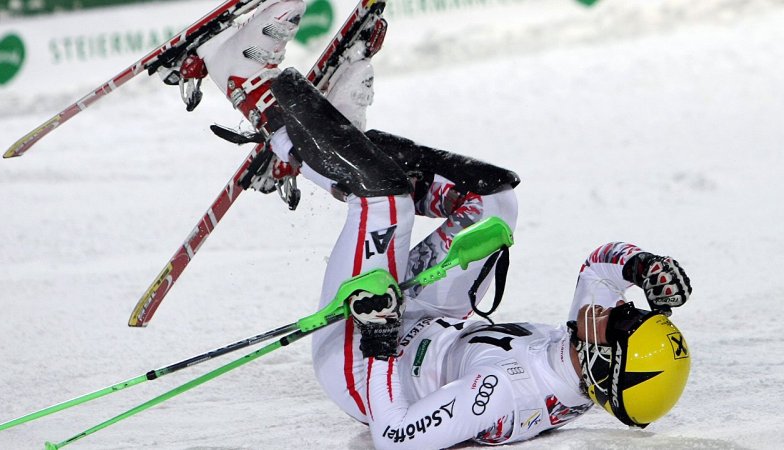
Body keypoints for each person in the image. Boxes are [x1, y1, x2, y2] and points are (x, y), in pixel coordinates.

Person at [165, 2, 693, 447]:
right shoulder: (582, 354)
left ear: (606, 364)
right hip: (431, 315)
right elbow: (600, 270)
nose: (621, 307)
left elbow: (394, 435)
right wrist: (642, 265)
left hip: (358, 352)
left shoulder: (505, 395)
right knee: (495, 201)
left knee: (385, 205)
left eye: (625, 323)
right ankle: (332, 142)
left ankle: (242, 81)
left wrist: (379, 339)